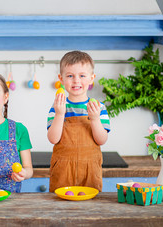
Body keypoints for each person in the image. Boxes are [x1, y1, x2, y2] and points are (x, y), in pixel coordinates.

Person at [47, 51, 110, 192]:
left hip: (90, 170)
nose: (76, 81)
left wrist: (94, 118)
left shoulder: (99, 107)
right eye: (70, 76)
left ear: (91, 78)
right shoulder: (57, 106)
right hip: (63, 170)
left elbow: (101, 140)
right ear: (61, 79)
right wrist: (59, 114)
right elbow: (53, 138)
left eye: (82, 75)